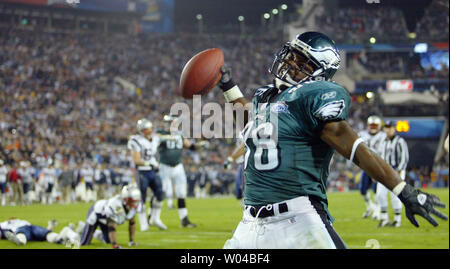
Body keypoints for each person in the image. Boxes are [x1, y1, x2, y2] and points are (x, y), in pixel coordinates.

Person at [215, 32, 447, 249]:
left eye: (301, 62)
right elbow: (252, 123)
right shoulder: (265, 97)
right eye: (292, 56)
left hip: (298, 222)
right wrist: (228, 87)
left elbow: (353, 146)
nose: (290, 63)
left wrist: (402, 189)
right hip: (248, 225)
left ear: (320, 73)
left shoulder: (316, 94)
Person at [157, 114, 205, 228]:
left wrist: (199, 146)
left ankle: (184, 219)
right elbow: (156, 138)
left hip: (178, 166)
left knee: (181, 193)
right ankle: (153, 216)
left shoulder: (180, 134)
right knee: (162, 192)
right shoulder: (161, 133)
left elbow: (190, 146)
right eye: (171, 123)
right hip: (164, 166)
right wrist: (168, 137)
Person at [127, 118, 166, 231]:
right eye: (148, 129)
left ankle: (155, 218)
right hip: (142, 171)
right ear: (142, 130)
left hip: (153, 171)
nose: (151, 130)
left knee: (160, 194)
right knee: (141, 198)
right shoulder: (136, 140)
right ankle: (144, 223)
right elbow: (136, 160)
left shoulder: (155, 138)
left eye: (151, 128)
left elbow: (163, 137)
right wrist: (149, 163)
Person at [77, 184, 140, 248]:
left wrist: (131, 241)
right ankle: (68, 232)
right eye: (133, 201)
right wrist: (114, 244)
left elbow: (132, 223)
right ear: (126, 200)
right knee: (84, 242)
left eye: (137, 201)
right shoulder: (116, 205)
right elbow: (112, 226)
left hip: (106, 219)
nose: (135, 204)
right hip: (96, 213)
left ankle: (83, 228)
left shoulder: (132, 207)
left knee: (108, 241)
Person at [376, 120, 409, 227]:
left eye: (390, 127)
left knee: (395, 195)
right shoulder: (383, 141)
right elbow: (379, 156)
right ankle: (384, 218)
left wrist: (399, 171)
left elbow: (404, 157)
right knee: (380, 194)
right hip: (383, 170)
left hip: (396, 170)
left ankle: (397, 219)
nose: (388, 129)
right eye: (386, 127)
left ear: (394, 128)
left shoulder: (400, 141)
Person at [357, 116, 386, 220]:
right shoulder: (362, 135)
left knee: (376, 190)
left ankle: (377, 210)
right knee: (363, 190)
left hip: (378, 166)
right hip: (366, 166)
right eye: (371, 125)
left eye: (375, 125)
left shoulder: (383, 136)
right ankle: (369, 207)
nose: (373, 127)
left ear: (379, 126)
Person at [0, 218, 79, 247]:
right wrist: (50, 226)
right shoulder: (21, 220)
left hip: (21, 229)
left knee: (22, 233)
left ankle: (20, 241)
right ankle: (66, 233)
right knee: (46, 234)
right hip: (32, 226)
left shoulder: (4, 224)